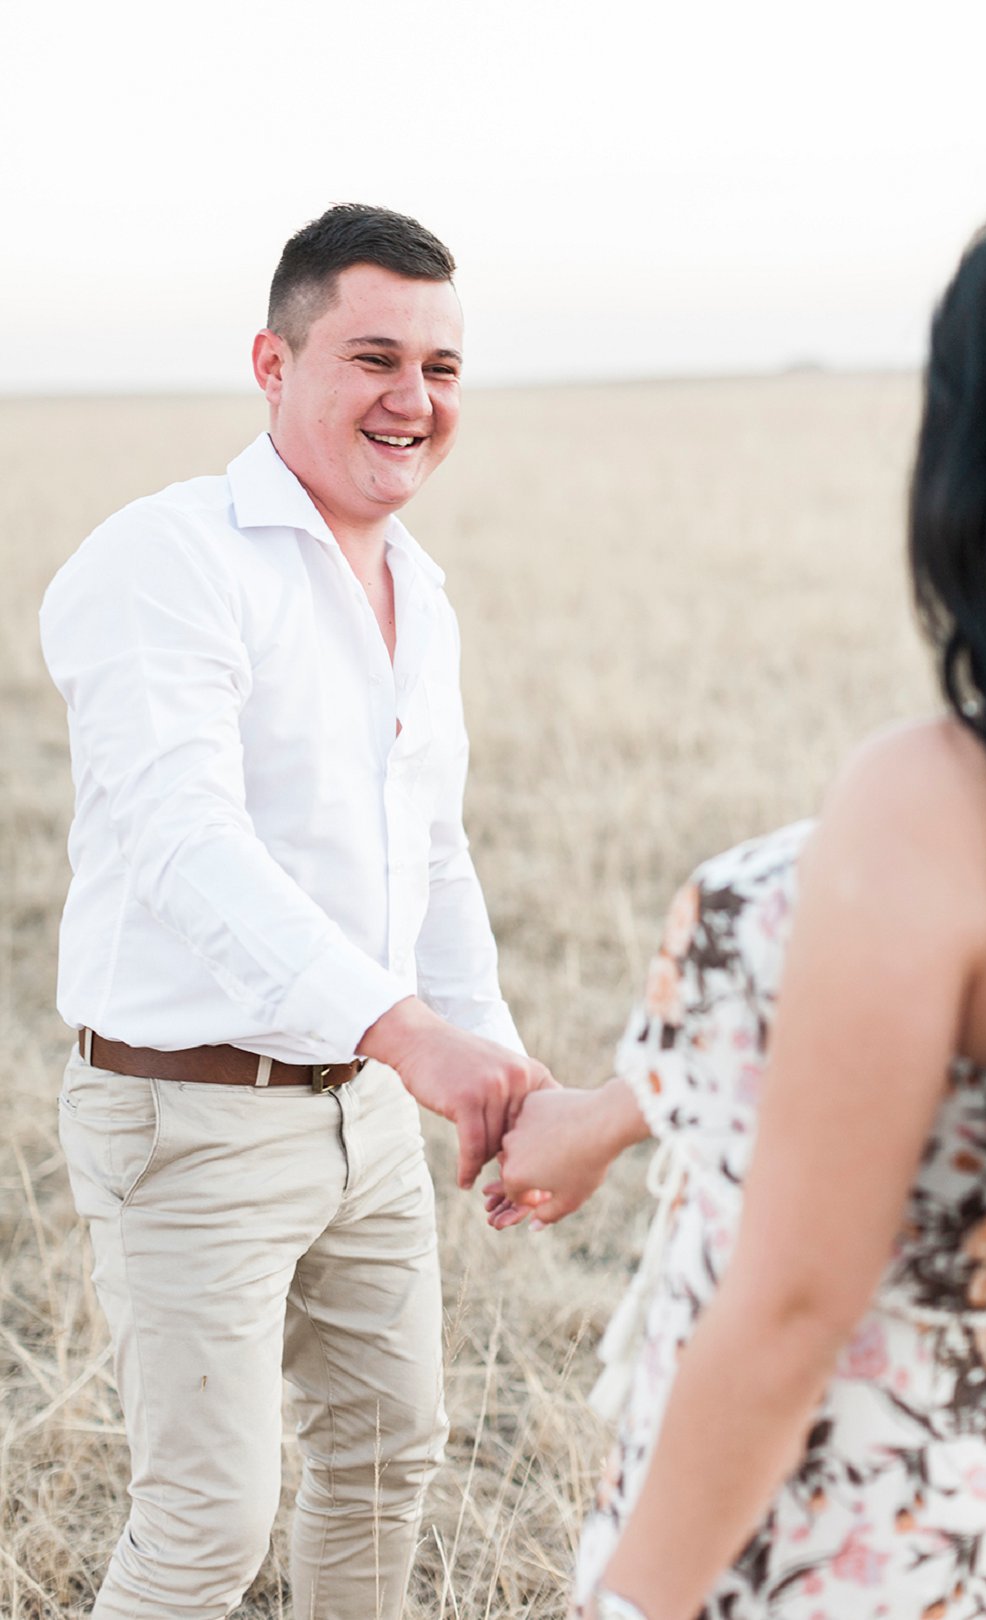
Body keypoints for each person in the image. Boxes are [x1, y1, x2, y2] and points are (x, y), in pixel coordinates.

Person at [489, 176, 986, 1620]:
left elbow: (796, 1312)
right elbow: (859, 1065)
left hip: (837, 1542)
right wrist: (602, 1117)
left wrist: (628, 1609)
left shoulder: (944, 803)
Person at [40, 203, 554, 1620]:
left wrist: (497, 1071)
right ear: (273, 362)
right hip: (190, 1115)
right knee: (207, 1527)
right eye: (374, 355)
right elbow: (182, 846)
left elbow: (429, 854)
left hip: (371, 1118)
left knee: (389, 1463)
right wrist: (410, 1034)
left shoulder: (419, 594)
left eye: (442, 368)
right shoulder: (166, 560)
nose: (414, 399)